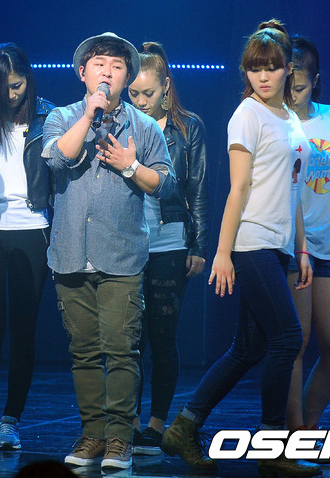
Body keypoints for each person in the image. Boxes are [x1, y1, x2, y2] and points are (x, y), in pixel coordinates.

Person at [160, 20, 321, 477]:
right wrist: (223, 252)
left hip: (279, 245)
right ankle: (273, 449)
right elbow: (238, 189)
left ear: (288, 69)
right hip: (251, 242)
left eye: (272, 67)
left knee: (248, 348)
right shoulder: (246, 115)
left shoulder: (290, 119)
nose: (263, 77)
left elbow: (294, 190)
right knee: (287, 339)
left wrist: (302, 249)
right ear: (246, 72)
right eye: (255, 68)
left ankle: (185, 425)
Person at [42, 32, 175, 470]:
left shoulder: (145, 126)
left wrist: (130, 166)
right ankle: (92, 435)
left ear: (127, 76)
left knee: (121, 350)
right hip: (70, 253)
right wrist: (88, 115)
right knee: (82, 352)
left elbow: (166, 183)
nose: (108, 73)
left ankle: (120, 438)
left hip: (121, 255)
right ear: (83, 73)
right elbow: (57, 159)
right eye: (99, 64)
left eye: (117, 67)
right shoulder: (62, 117)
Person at [0, 43, 54, 451]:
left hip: (32, 227)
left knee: (23, 330)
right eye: (3, 87)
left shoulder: (47, 116)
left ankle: (12, 419)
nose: (12, 94)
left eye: (18, 85)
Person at [127, 42, 209, 455]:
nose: (141, 101)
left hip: (171, 241)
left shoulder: (187, 128)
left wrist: (199, 245)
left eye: (149, 93)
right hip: (127, 242)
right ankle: (130, 421)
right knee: (130, 338)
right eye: (134, 93)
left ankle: (157, 424)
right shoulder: (121, 123)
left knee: (162, 335)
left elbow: (197, 189)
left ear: (166, 88)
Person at [286, 35, 330, 454]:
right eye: (288, 86)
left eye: (300, 86)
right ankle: (293, 433)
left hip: (329, 247)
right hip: (296, 247)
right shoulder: (281, 122)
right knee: (298, 341)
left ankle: (306, 427)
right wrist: (300, 247)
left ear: (315, 81)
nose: (293, 94)